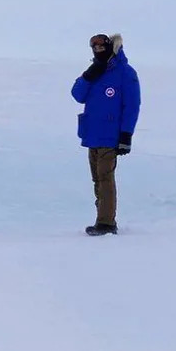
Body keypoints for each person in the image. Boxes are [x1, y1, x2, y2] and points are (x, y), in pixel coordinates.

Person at [70, 33, 141, 236]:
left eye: (102, 48)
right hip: (92, 134)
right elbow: (77, 95)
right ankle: (102, 218)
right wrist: (88, 75)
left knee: (105, 177)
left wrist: (126, 135)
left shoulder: (125, 73)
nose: (98, 51)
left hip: (111, 135)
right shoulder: (95, 71)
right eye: (95, 48)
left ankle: (107, 223)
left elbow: (132, 106)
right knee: (97, 179)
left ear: (110, 47)